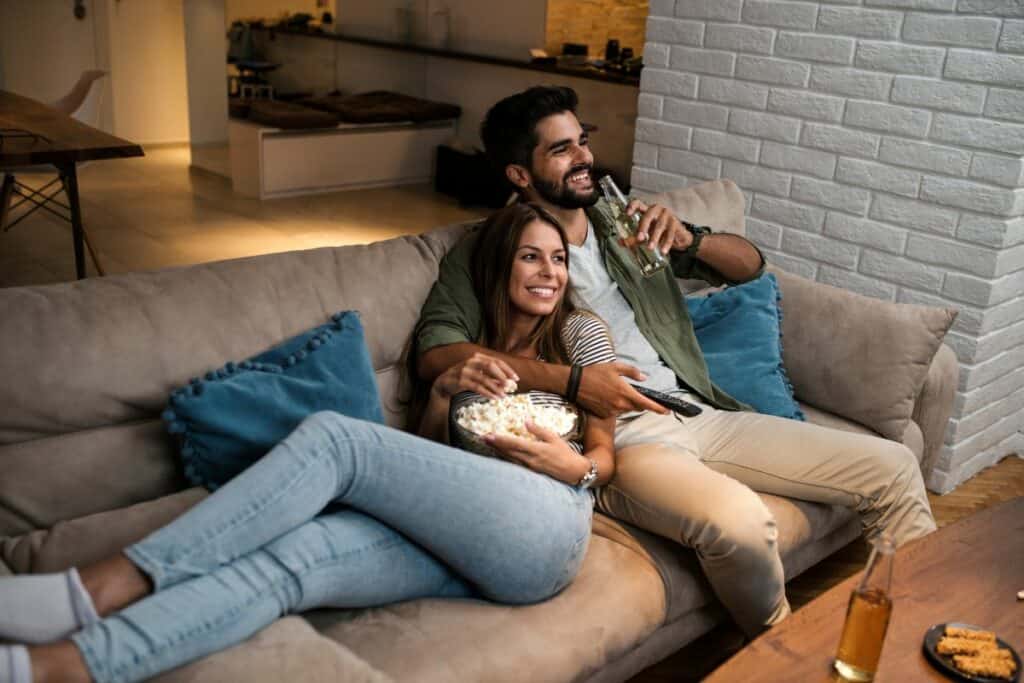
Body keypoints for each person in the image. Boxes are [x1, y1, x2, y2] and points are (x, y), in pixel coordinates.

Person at [0, 203, 616, 683]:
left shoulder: (580, 335)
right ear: (499, 265)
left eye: (558, 260)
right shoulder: (466, 343)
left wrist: (579, 468)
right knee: (293, 560)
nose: (549, 274)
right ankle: (55, 667)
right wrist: (439, 398)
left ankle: (93, 589)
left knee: (336, 441)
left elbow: (606, 456)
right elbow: (440, 464)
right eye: (531, 258)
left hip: (550, 521)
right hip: (469, 538)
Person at [413, 85, 937, 637]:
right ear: (520, 175)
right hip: (622, 435)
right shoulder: (490, 248)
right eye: (561, 150)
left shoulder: (622, 221)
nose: (584, 158)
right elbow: (437, 352)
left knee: (893, 466)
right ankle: (781, 658)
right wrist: (575, 381)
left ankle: (920, 636)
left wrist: (691, 240)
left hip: (695, 409)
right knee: (742, 524)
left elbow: (752, 269)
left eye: (582, 141)